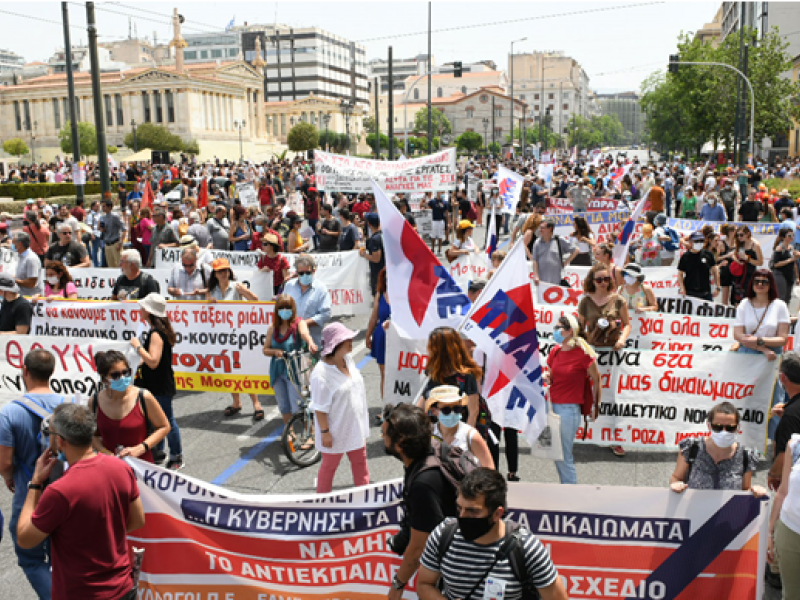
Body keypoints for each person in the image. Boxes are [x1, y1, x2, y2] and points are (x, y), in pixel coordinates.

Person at [15, 403, 144, 600]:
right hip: (123, 588)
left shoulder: (59, 491)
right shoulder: (120, 468)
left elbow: (25, 539)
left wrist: (35, 483)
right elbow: (137, 521)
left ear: (60, 440)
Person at [417, 468, 567, 600]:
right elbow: (424, 584)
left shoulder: (526, 549)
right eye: (459, 508)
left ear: (497, 513)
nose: (462, 517)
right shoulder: (444, 534)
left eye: (473, 511)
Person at [0, 349, 72, 599]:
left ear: (24, 372)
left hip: (29, 495)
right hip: (65, 493)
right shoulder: (70, 405)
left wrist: (9, 477)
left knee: (30, 558)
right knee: (63, 557)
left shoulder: (9, 412)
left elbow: (5, 461)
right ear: (52, 372)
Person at [381, 403, 457, 598]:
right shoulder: (432, 448)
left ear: (399, 445)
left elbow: (417, 549)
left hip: (460, 568)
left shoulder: (424, 484)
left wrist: (397, 585)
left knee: (425, 588)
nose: (382, 437)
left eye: (385, 435)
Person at [311, 323, 369, 494]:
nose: (351, 341)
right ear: (335, 344)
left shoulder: (348, 360)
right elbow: (319, 408)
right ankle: (322, 505)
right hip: (335, 430)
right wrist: (325, 432)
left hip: (356, 426)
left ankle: (365, 501)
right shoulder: (321, 373)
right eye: (346, 339)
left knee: (361, 465)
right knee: (329, 468)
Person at [544, 315, 601, 484]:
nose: (555, 331)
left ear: (570, 331)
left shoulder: (583, 353)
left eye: (558, 328)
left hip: (569, 410)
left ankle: (571, 492)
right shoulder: (555, 351)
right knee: (556, 454)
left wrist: (596, 406)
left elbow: (597, 380)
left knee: (564, 456)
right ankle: (567, 490)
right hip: (552, 407)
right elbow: (551, 374)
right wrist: (547, 376)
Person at [131, 294, 184, 470]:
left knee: (166, 420)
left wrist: (137, 347)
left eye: (143, 307)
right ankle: (159, 450)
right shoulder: (160, 330)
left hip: (159, 384)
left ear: (149, 311)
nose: (140, 310)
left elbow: (153, 361)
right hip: (157, 382)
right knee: (156, 419)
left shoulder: (155, 333)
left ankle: (176, 455)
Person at [89, 350, 170, 464]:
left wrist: (141, 448)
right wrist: (105, 452)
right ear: (104, 378)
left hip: (141, 467)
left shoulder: (144, 397)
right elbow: (93, 436)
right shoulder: (95, 402)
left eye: (126, 373)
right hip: (110, 467)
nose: (122, 378)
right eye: (115, 375)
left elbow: (164, 426)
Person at [669, 402, 766, 496]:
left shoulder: (746, 456)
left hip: (727, 511)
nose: (724, 432)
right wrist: (675, 485)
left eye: (730, 427)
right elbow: (677, 477)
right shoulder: (691, 448)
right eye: (717, 427)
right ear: (709, 425)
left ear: (738, 427)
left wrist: (755, 491)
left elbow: (744, 491)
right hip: (693, 511)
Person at [263, 294, 318, 425]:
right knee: (283, 404)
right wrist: (276, 352)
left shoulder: (299, 323)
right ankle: (289, 431)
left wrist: (310, 342)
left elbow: (305, 333)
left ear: (293, 309)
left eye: (288, 307)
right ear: (277, 310)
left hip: (295, 371)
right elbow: (265, 349)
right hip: (278, 370)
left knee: (298, 404)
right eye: (281, 307)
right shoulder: (273, 328)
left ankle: (308, 432)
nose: (285, 310)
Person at [420, 327, 482, 429]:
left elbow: (473, 411)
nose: (428, 348)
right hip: (435, 433)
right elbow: (422, 402)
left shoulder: (466, 375)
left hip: (458, 433)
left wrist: (464, 439)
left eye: (432, 345)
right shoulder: (433, 372)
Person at [426, 385, 494, 468]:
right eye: (446, 410)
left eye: (456, 409)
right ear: (434, 411)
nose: (452, 413)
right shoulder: (428, 435)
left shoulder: (471, 436)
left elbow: (489, 470)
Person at [284, 255, 332, 349]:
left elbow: (326, 314)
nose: (304, 276)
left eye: (308, 272)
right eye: (301, 273)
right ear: (297, 272)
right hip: (291, 340)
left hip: (313, 341)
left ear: (313, 271)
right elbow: (283, 307)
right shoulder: (289, 286)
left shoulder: (321, 289)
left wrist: (303, 323)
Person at [366, 268, 391, 397]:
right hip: (382, 337)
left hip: (399, 339)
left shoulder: (404, 294)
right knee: (385, 373)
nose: (389, 281)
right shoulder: (380, 295)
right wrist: (368, 335)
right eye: (386, 279)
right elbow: (374, 317)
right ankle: (386, 409)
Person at [531, 219, 578, 286]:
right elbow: (535, 260)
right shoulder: (537, 243)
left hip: (556, 281)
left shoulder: (559, 240)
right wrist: (536, 276)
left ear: (550, 229)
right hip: (541, 282)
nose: (540, 230)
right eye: (539, 227)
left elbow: (576, 250)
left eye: (543, 228)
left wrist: (566, 262)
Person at [677, 231, 719, 301]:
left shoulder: (708, 254)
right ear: (690, 242)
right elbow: (680, 273)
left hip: (705, 293)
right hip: (689, 293)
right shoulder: (685, 256)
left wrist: (717, 287)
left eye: (701, 241)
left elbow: (715, 271)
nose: (699, 243)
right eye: (696, 241)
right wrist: (682, 287)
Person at [771, 228, 799, 304]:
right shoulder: (780, 248)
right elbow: (775, 264)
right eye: (789, 235)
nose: (791, 237)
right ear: (783, 237)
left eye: (792, 235)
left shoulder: (792, 248)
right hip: (780, 274)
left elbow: (794, 264)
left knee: (788, 297)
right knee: (781, 296)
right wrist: (790, 260)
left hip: (789, 274)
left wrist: (797, 277)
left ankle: (786, 313)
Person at [361, 213, 385, 296]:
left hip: (378, 273)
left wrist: (364, 254)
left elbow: (376, 258)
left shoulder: (375, 239)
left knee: (377, 297)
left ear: (369, 224)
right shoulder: (383, 235)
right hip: (385, 271)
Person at [13, 232, 42, 297]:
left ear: (19, 244)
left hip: (30, 298)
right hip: (21, 295)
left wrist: (14, 280)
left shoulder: (31, 259)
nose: (12, 245)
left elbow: (31, 283)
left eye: (13, 243)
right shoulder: (20, 256)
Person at [100, 199, 125, 268]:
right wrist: (102, 229)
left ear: (109, 207)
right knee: (110, 266)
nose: (102, 208)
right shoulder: (103, 217)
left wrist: (120, 243)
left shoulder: (115, 216)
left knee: (119, 264)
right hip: (107, 244)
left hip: (115, 243)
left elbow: (124, 229)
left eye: (104, 206)